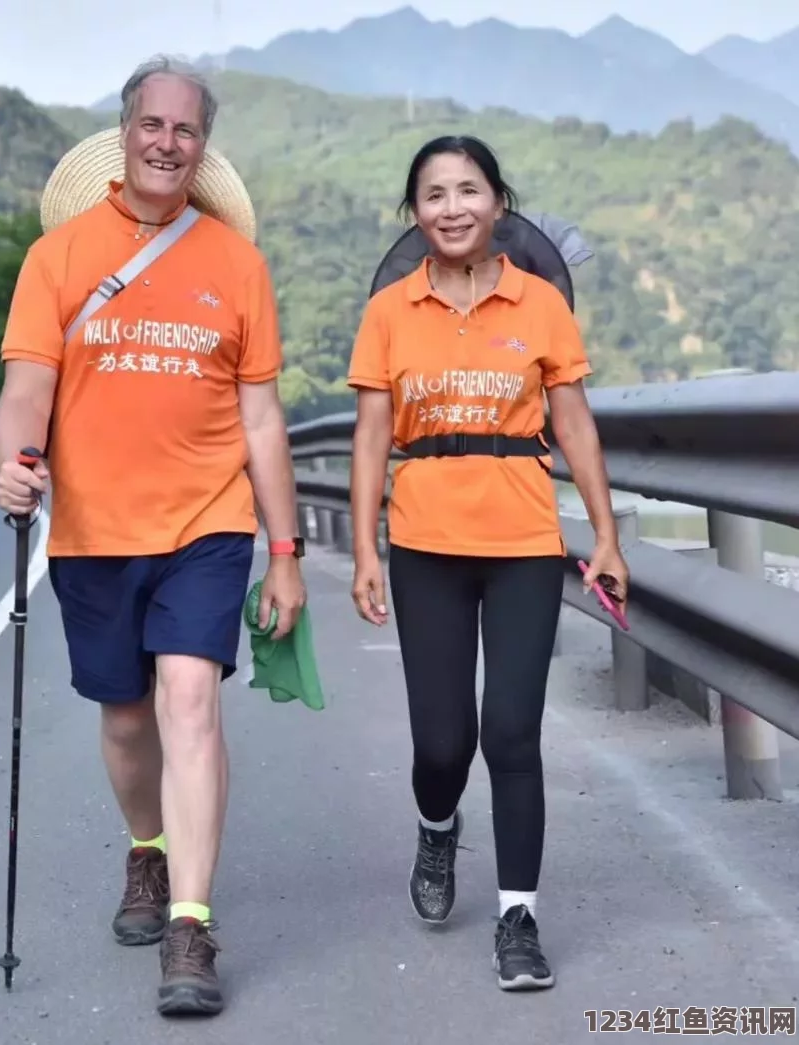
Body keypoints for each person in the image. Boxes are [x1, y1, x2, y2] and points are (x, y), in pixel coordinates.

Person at [0, 55, 306, 1018]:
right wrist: (15, 460)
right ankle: (149, 849)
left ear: (202, 148)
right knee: (126, 718)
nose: (168, 142)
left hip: (208, 524)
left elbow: (262, 420)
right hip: (93, 528)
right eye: (153, 125)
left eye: (187, 130)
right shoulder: (58, 260)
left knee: (188, 701)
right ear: (123, 134)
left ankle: (191, 924)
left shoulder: (237, 266)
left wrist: (285, 553)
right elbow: (25, 390)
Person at [346, 134, 629, 992]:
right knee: (444, 741)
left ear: (498, 203)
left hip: (522, 546)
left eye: (469, 190)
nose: (453, 207)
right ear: (415, 213)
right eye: (434, 194)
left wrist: (606, 534)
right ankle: (438, 825)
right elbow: (368, 438)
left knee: (511, 731)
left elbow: (573, 423)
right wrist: (365, 545)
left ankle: (518, 917)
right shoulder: (390, 310)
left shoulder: (540, 302)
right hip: (426, 545)